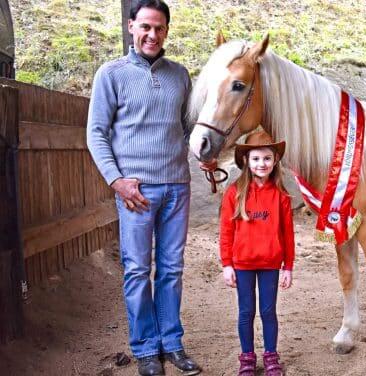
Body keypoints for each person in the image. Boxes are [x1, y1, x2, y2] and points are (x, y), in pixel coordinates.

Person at [86, 1, 201, 375]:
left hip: (177, 188)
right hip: (135, 192)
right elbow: (96, 133)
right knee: (137, 270)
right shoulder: (112, 74)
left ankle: (172, 343)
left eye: (160, 28)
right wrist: (116, 180)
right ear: (132, 26)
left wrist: (206, 156)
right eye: (146, 27)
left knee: (171, 269)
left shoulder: (180, 75)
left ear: (167, 31)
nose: (153, 35)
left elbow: (187, 129)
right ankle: (145, 349)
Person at [219, 130, 295, 376]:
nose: (261, 164)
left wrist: (288, 266)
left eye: (266, 158)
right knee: (246, 311)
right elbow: (226, 231)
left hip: (271, 264)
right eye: (256, 159)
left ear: (274, 162)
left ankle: (271, 355)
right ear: (246, 162)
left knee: (268, 312)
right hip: (242, 264)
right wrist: (227, 264)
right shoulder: (235, 193)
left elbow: (288, 235)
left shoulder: (281, 196)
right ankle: (247, 358)